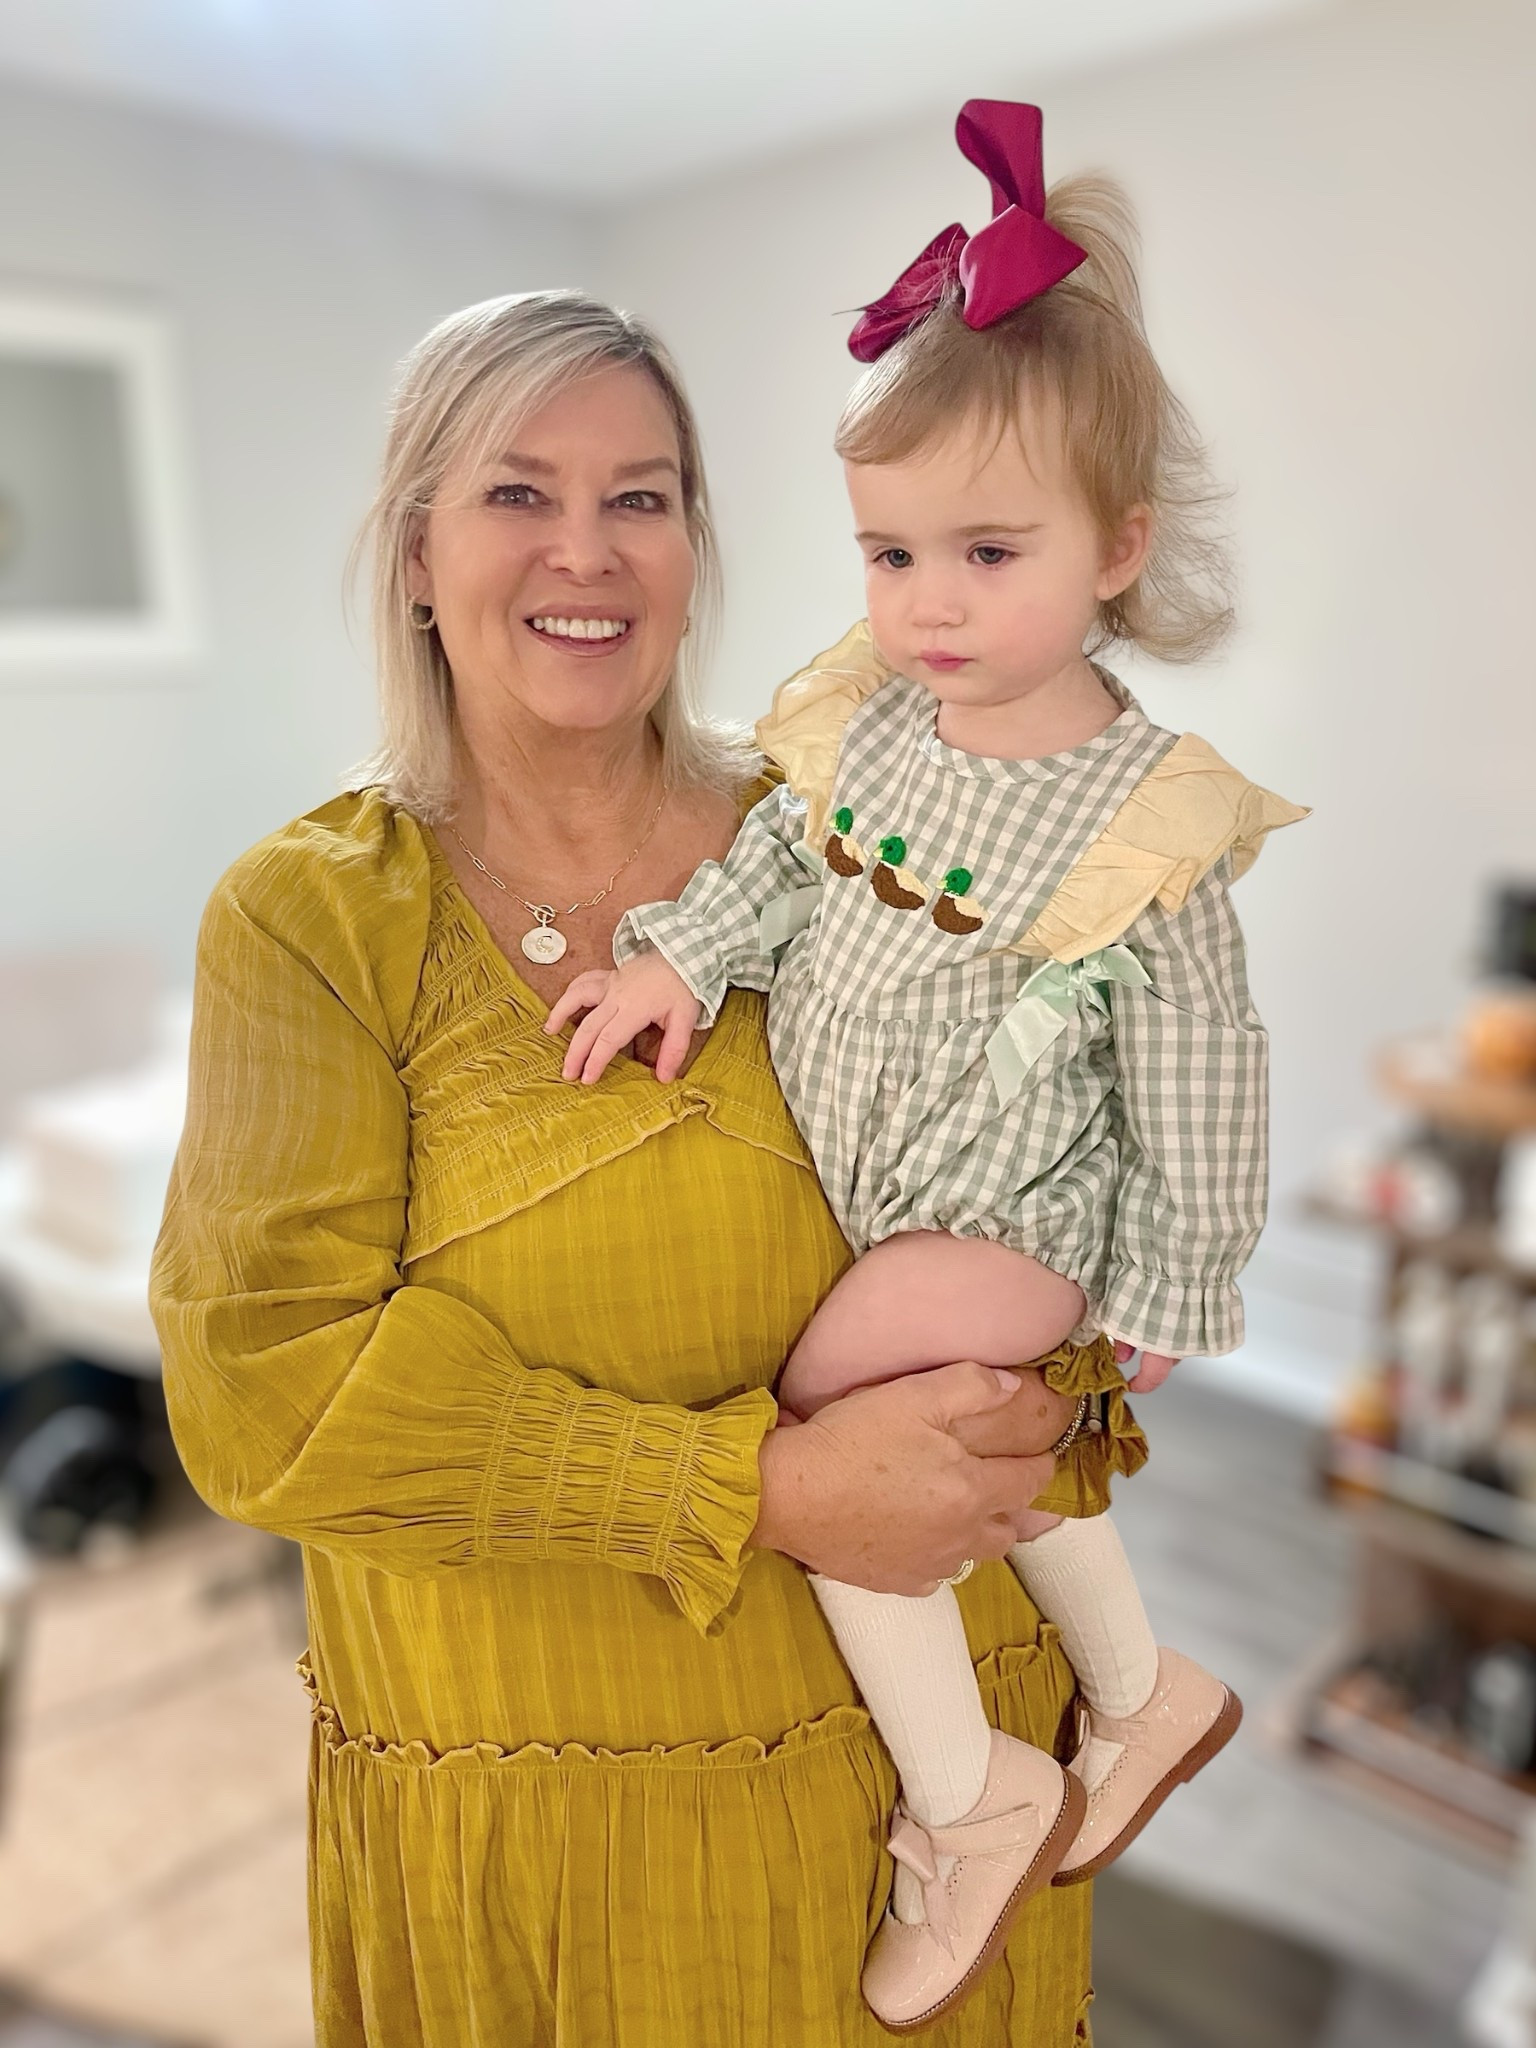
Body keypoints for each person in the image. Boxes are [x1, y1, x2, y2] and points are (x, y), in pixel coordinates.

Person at [149, 286, 1102, 2047]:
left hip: (945, 1802)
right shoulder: (312, 919)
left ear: (692, 541)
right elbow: (262, 1397)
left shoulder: (845, 836)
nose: (586, 550)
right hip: (553, 1844)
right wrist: (765, 1490)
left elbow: (1032, 1146)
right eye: (517, 493)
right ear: (417, 553)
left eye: (640, 495)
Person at [549, 100, 1307, 2032]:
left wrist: (1164, 1288)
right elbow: (787, 869)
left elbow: (1209, 1074)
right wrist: (674, 961)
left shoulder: (1144, 814)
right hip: (880, 1186)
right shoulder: (882, 728)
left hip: (1011, 1210)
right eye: (893, 553)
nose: (932, 604)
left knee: (830, 1421)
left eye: (988, 549)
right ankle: (1146, 1699)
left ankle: (971, 1796)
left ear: (1121, 548)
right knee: (991, 1452)